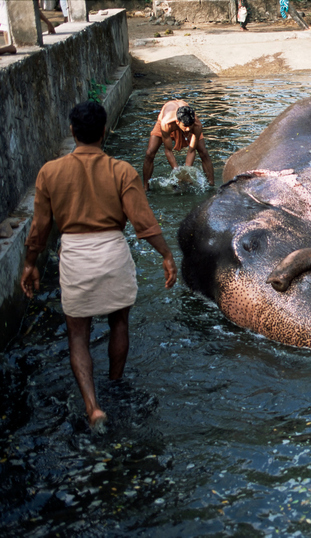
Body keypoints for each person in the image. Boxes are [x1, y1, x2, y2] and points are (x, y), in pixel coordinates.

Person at [21, 101, 178, 430]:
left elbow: (40, 228)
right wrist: (166, 255)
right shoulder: (122, 171)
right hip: (112, 253)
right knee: (119, 323)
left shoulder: (50, 172)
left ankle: (93, 406)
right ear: (104, 132)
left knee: (78, 335)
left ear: (72, 132)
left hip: (75, 256)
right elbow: (143, 222)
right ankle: (116, 383)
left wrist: (30, 264)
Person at [142, 100, 215, 190]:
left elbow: (191, 150)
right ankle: (145, 188)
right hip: (166, 121)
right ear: (177, 122)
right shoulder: (166, 124)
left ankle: (211, 185)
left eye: (190, 126)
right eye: (185, 126)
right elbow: (168, 150)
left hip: (184, 120)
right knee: (150, 153)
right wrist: (177, 172)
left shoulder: (196, 125)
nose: (188, 129)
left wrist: (186, 173)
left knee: (203, 152)